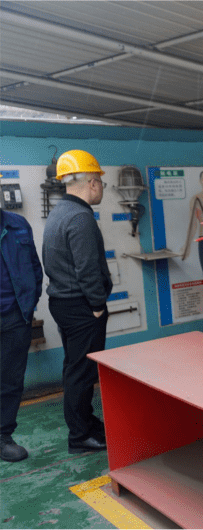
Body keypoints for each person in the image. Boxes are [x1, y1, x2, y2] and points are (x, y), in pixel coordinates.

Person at [42, 149, 113, 454]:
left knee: (75, 368)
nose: (101, 188)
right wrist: (97, 305)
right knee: (82, 372)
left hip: (64, 302)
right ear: (93, 183)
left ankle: (85, 422)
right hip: (81, 306)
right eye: (101, 183)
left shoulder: (60, 211)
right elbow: (87, 268)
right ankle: (80, 436)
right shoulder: (81, 217)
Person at [1, 210, 43, 462]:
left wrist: (28, 304)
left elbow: (34, 267)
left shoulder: (17, 224)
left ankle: (3, 436)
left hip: (15, 317)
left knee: (10, 381)